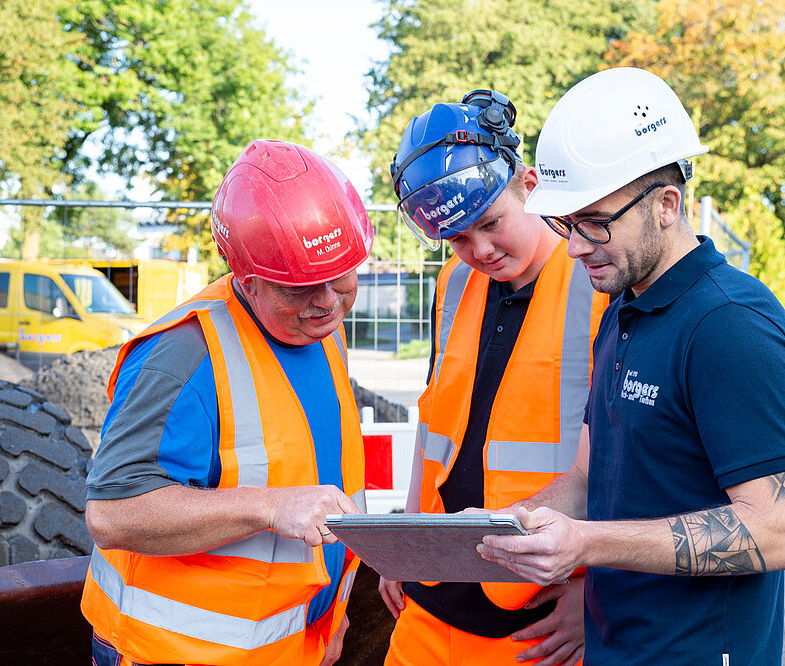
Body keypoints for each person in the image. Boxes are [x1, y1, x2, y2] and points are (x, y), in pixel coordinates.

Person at [478, 67, 785, 663]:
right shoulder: (623, 310)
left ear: (667, 204)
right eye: (566, 224)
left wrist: (586, 544)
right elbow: (590, 478)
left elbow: (774, 528)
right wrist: (512, 522)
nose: (575, 246)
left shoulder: (729, 325)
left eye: (595, 223)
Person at [80, 139, 376, 666]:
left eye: (340, 277)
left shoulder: (320, 331)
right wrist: (270, 506)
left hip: (293, 646)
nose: (328, 301)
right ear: (248, 280)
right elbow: (112, 514)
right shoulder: (182, 356)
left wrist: (328, 617)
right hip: (176, 654)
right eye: (299, 288)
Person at [379, 90, 609, 665]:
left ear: (531, 186)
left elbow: (637, 460)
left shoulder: (599, 285)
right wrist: (404, 538)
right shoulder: (453, 285)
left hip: (538, 618)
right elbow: (432, 419)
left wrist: (601, 595)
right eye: (457, 237)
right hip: (431, 595)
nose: (479, 250)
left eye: (490, 223)